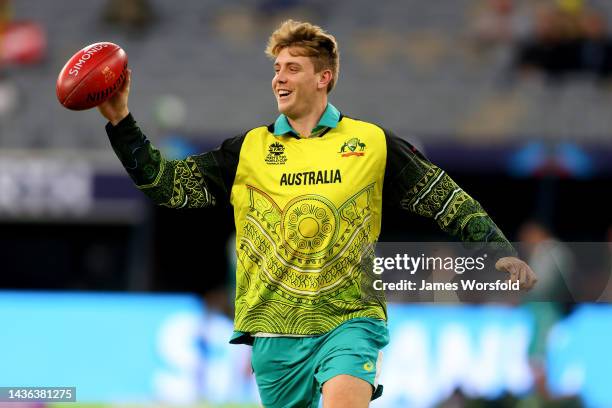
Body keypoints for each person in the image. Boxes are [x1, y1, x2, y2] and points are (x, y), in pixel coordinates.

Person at [98, 19, 537, 408]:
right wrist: (121, 122)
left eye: (293, 68)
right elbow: (167, 186)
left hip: (349, 319)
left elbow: (442, 196)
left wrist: (498, 248)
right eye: (276, 69)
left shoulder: (372, 143)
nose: (279, 79)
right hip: (274, 333)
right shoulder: (248, 149)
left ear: (323, 77)